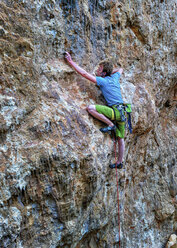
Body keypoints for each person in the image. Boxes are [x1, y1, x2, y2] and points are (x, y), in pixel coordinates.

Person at [64, 52, 125, 169]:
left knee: (90, 108)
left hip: (115, 112)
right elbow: (120, 69)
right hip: (123, 112)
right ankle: (120, 162)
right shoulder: (115, 77)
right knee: (120, 139)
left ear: (104, 73)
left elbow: (84, 73)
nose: (97, 70)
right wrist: (109, 72)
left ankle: (110, 124)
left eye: (100, 69)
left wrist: (71, 62)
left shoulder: (103, 81)